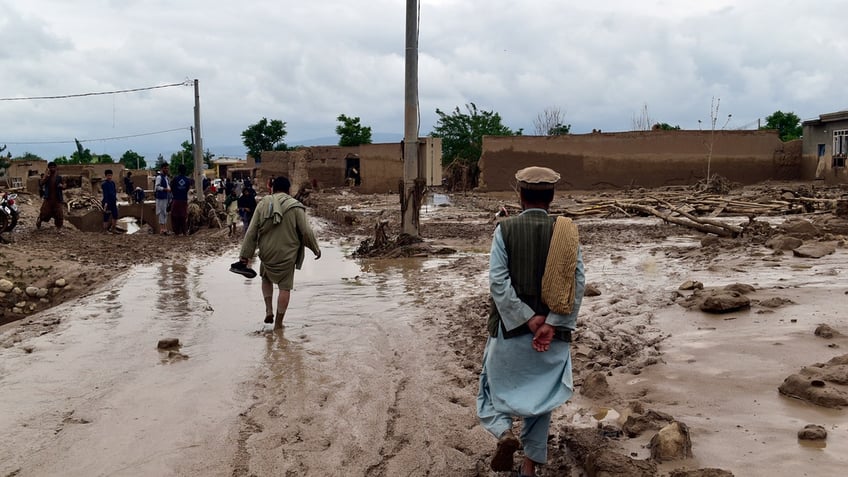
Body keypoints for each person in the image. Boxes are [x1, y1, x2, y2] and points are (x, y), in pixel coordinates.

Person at [477, 166, 585, 476]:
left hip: (508, 333)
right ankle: (528, 470)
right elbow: (576, 283)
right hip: (553, 338)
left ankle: (503, 433)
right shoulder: (566, 232)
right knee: (541, 402)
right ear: (551, 197)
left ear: (520, 195)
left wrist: (528, 320)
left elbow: (498, 283)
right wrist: (551, 323)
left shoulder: (505, 230)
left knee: (488, 390)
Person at [234, 176, 321, 329]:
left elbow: (252, 232)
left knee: (266, 278)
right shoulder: (296, 207)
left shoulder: (263, 204)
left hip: (267, 252)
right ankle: (279, 324)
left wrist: (244, 257)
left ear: (273, 189)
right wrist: (315, 248)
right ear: (288, 190)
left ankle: (268, 310)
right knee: (284, 288)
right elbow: (306, 232)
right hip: (287, 254)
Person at [36, 162, 66, 231]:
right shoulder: (47, 177)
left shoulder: (59, 178)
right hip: (48, 199)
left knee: (59, 214)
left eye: (53, 167)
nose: (52, 169)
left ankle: (59, 228)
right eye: (50, 167)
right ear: (48, 168)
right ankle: (40, 220)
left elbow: (64, 185)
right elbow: (41, 183)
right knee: (44, 213)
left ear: (56, 168)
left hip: (57, 199)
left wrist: (62, 186)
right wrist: (46, 176)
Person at [170, 164, 192, 236]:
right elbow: (187, 189)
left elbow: (171, 188)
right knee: (183, 216)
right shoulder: (187, 180)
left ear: (178, 170)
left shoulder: (175, 179)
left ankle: (176, 232)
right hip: (184, 200)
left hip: (176, 200)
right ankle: (184, 232)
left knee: (175, 216)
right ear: (185, 171)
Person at [154, 163, 171, 235]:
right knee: (161, 212)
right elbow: (157, 187)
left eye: (168, 168)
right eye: (166, 168)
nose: (167, 170)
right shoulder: (159, 177)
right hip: (160, 197)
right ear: (162, 169)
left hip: (165, 197)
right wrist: (165, 189)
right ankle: (162, 229)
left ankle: (165, 228)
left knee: (165, 212)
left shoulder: (165, 178)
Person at [101, 169, 118, 233]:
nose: (109, 177)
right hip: (107, 202)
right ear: (106, 176)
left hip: (113, 202)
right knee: (106, 216)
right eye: (108, 175)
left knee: (115, 215)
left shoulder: (112, 183)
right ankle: (105, 230)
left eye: (110, 175)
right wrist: (105, 203)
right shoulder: (104, 184)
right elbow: (105, 194)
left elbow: (114, 192)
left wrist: (115, 198)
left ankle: (113, 228)